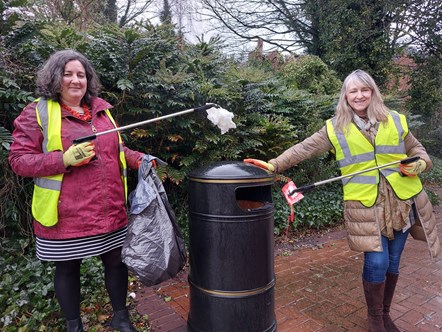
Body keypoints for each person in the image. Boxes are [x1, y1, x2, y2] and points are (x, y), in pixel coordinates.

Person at [245, 69, 440, 332]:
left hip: (403, 203)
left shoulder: (395, 120)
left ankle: (384, 315)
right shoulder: (335, 127)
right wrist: (274, 164)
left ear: (372, 92)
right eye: (353, 91)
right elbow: (305, 148)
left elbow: (417, 150)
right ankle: (374, 320)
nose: (359, 95)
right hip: (366, 207)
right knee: (377, 262)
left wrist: (419, 164)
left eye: (364, 89)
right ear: (346, 96)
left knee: (393, 262)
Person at [9, 49, 147, 332]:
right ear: (54, 77)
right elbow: (19, 160)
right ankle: (74, 326)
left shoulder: (101, 110)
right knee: (68, 268)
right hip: (66, 214)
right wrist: (63, 159)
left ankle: (121, 317)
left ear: (88, 80)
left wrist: (139, 159)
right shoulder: (38, 112)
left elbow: (116, 149)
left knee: (116, 262)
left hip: (109, 208)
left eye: (81, 75)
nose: (75, 80)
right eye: (68, 74)